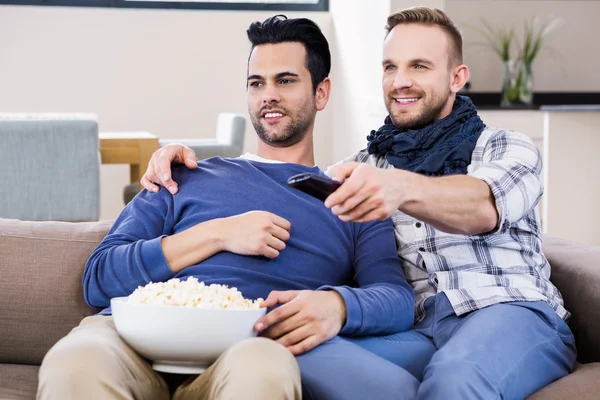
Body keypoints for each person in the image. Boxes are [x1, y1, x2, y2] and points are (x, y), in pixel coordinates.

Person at [145, 7, 577, 400]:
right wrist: (183, 163)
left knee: (454, 381)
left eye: (419, 66)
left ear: (457, 77)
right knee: (289, 353)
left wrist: (400, 189)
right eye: (391, 67)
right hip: (418, 328)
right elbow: (279, 195)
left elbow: (484, 207)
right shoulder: (358, 167)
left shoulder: (505, 147)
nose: (400, 81)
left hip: (506, 309)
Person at [36, 15, 420, 400]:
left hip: (245, 349)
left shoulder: (349, 199)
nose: (268, 94)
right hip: (133, 340)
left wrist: (337, 303)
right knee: (75, 363)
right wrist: (216, 234)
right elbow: (99, 278)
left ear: (321, 93)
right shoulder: (181, 175)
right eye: (257, 83)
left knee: (262, 372)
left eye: (285, 81)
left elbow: (396, 299)